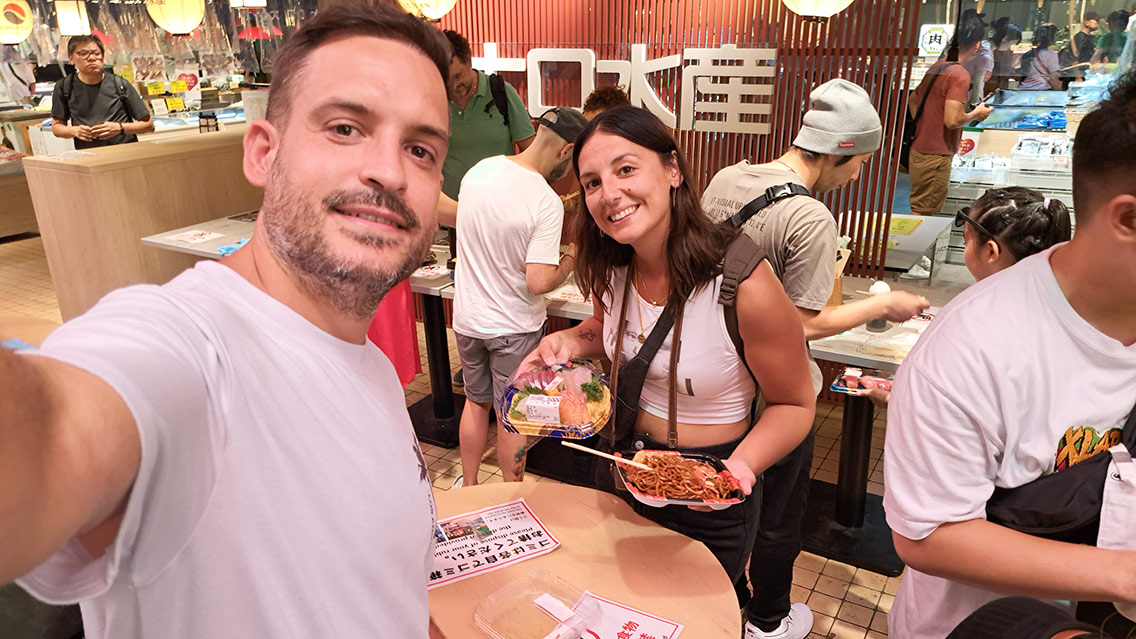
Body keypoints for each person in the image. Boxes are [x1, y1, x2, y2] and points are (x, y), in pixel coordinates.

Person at [2, 4, 454, 637]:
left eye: (420, 149)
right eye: (346, 128)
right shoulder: (190, 346)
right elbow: (51, 431)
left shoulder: (370, 365)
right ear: (264, 153)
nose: (390, 170)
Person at [521, 105, 817, 599]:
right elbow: (610, 329)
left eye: (626, 169)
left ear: (673, 169)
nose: (608, 193)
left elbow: (794, 404)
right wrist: (570, 339)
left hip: (708, 488)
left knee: (697, 616)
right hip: (624, 470)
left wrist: (738, 468)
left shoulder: (743, 282)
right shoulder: (613, 265)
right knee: (623, 603)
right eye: (592, 182)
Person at [883, 72, 1136, 638]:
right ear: (1128, 218)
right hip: (965, 624)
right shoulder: (972, 346)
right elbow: (928, 535)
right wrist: (1123, 574)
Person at [701, 78, 929, 639]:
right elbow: (800, 324)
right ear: (837, 152)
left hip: (711, 376)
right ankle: (768, 621)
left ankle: (718, 605)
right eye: (861, 162)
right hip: (773, 394)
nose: (858, 176)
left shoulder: (728, 179)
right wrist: (884, 305)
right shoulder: (809, 217)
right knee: (779, 513)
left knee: (720, 500)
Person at [451, 106, 588, 487]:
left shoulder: (480, 170)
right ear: (566, 151)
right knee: (512, 413)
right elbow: (539, 281)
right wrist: (572, 256)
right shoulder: (544, 200)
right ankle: (511, 496)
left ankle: (468, 485)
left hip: (467, 320)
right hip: (512, 326)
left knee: (475, 403)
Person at [436, 29, 536, 227]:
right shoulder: (435, 99)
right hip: (451, 219)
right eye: (446, 79)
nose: (453, 85)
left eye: (458, 76)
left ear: (469, 61)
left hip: (501, 215)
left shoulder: (500, 92)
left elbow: (532, 153)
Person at [908, 27, 994, 215]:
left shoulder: (938, 66)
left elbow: (913, 99)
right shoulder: (959, 74)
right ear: (977, 45)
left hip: (920, 148)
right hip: (936, 155)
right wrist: (977, 113)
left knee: (920, 207)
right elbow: (953, 120)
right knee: (924, 211)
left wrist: (925, 124)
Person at [50, 35, 154, 149]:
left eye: (96, 53)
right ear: (71, 58)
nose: (91, 58)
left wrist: (119, 128)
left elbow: (149, 125)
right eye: (83, 54)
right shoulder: (64, 87)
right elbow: (57, 127)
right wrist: (74, 131)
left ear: (103, 57)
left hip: (124, 151)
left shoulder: (120, 84)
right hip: (88, 154)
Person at [1019, 24, 1061, 90]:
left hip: (1024, 88)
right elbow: (1053, 78)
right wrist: (1059, 91)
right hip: (1041, 89)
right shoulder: (1051, 55)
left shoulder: (1027, 54)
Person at [990, 19, 1023, 90]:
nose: (1010, 47)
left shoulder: (989, 50)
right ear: (1005, 38)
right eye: (1011, 43)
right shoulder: (986, 51)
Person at [1073, 12, 1102, 77]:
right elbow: (1074, 57)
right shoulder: (1080, 37)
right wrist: (1077, 74)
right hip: (1080, 71)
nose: (1097, 24)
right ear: (1086, 22)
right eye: (1096, 20)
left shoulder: (1089, 38)